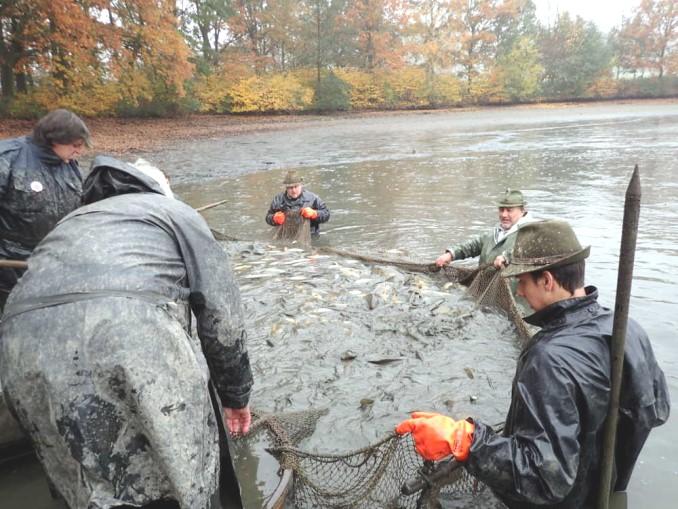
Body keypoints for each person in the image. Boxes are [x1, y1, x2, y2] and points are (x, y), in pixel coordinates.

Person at [0, 156, 254, 509]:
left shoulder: (69, 223)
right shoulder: (174, 212)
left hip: (16, 347)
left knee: (86, 484)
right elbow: (222, 315)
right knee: (178, 473)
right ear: (161, 190)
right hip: (127, 332)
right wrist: (236, 396)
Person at [397, 220, 669, 508]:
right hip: (602, 490)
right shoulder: (627, 328)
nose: (520, 292)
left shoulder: (549, 358)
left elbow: (542, 478)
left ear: (548, 281)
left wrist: (465, 439)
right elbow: (656, 410)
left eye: (523, 282)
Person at [0, 108, 90, 310]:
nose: (79, 151)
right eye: (75, 145)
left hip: (54, 261)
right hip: (10, 268)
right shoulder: (8, 158)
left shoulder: (70, 165)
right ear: (54, 139)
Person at [435, 188, 534, 270]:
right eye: (501, 210)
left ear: (522, 210)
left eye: (509, 210)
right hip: (484, 286)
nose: (504, 215)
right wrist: (451, 255)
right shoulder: (495, 232)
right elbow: (473, 245)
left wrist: (506, 257)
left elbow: (526, 250)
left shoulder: (531, 232)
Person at [265, 170, 330, 236]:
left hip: (310, 235)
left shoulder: (313, 198)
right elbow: (268, 217)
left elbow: (326, 214)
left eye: (296, 186)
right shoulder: (278, 199)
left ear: (301, 185)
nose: (294, 190)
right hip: (285, 235)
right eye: (290, 188)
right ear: (286, 188)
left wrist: (315, 214)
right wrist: (274, 218)